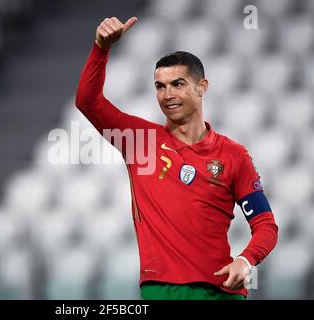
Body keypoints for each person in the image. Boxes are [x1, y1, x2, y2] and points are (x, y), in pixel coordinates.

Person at [75, 16, 278, 300]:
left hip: (219, 292)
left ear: (202, 86)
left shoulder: (234, 155)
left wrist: (245, 260)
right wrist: (101, 48)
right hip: (160, 290)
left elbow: (265, 225)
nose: (167, 94)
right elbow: (87, 102)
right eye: (160, 86)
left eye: (178, 84)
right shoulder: (139, 140)